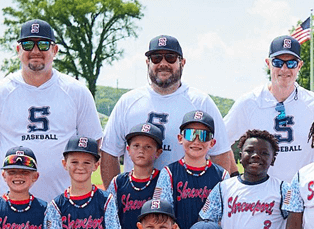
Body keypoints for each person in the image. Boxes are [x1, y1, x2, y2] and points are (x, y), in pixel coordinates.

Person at [0, 19, 103, 203]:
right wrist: (13, 173)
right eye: (28, 44)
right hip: (13, 205)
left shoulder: (76, 91)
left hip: (66, 204)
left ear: (54, 50)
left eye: (43, 44)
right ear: (18, 50)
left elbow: (92, 142)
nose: (35, 51)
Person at [99, 35, 233, 186]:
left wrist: (214, 196)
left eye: (170, 58)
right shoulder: (128, 102)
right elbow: (109, 153)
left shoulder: (201, 102)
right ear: (147, 63)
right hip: (137, 201)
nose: (163, 63)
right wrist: (115, 197)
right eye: (156, 58)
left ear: (182, 62)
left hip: (188, 196)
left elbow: (220, 153)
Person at [225, 36, 314, 182]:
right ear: (268, 63)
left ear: (299, 65)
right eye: (278, 62)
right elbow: (221, 141)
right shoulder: (249, 102)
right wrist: (234, 176)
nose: (284, 69)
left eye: (291, 63)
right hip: (261, 195)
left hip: (303, 192)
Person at [154, 110, 229, 229]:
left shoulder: (222, 175)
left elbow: (225, 218)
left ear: (212, 142)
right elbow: (162, 215)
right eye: (190, 134)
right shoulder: (169, 173)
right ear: (180, 138)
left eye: (204, 135)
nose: (196, 140)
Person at [109, 123, 166, 229]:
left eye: (148, 146)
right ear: (128, 150)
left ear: (158, 152)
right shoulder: (119, 181)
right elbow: (109, 214)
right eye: (136, 146)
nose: (141, 150)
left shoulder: (163, 179)